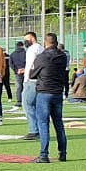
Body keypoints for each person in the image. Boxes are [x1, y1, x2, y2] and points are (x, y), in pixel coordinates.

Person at [30, 34, 69, 164]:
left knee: (43, 123)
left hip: (44, 92)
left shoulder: (41, 57)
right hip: (57, 92)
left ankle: (44, 154)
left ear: (45, 43)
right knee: (58, 123)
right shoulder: (62, 56)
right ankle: (62, 153)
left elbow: (32, 74)